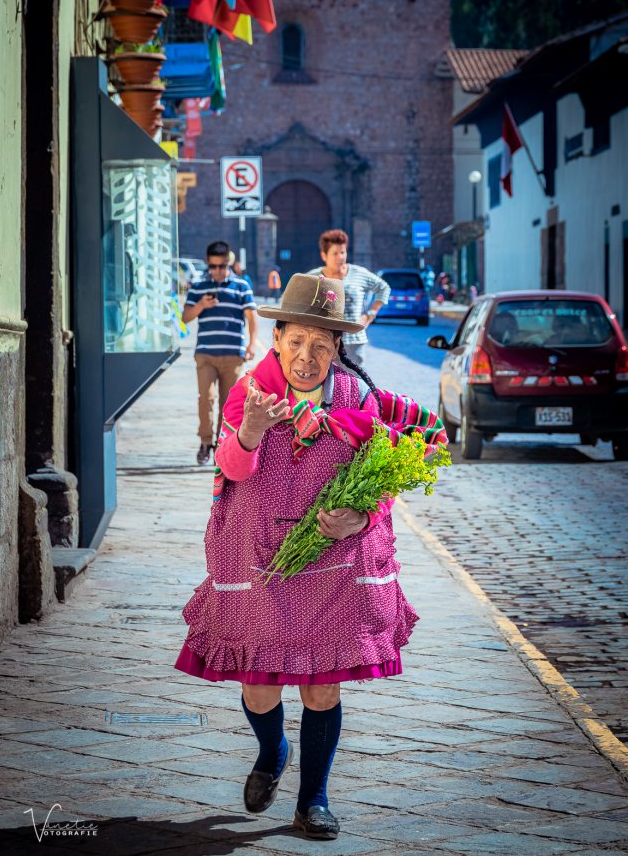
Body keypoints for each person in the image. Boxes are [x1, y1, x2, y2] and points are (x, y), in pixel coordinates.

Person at [175, 272, 447, 841]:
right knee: (260, 687)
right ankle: (273, 750)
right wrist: (248, 432)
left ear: (337, 348)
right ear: (277, 340)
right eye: (296, 341)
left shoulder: (358, 397)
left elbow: (391, 470)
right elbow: (232, 470)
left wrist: (362, 515)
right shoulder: (249, 391)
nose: (307, 355)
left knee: (322, 688)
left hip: (332, 566)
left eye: (320, 344)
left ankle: (313, 800)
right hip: (260, 565)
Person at [183, 240, 258, 465]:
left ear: (229, 263)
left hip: (233, 355)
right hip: (205, 353)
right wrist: (201, 306)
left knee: (228, 404)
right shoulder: (198, 286)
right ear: (208, 264)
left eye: (221, 266)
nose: (217, 271)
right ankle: (206, 442)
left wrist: (251, 345)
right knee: (205, 399)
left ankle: (222, 445)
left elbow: (252, 318)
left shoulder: (242, 286)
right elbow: (185, 317)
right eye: (213, 267)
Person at [308, 229, 390, 368]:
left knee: (355, 386)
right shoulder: (313, 277)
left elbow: (384, 288)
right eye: (335, 253)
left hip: (353, 343)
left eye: (343, 252)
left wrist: (370, 315)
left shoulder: (359, 273)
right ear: (324, 255)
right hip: (321, 343)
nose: (340, 257)